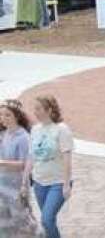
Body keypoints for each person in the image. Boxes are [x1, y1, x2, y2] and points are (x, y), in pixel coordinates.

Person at [23, 95, 73, 238]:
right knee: (48, 222)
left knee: (46, 219)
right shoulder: (35, 129)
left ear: (49, 110)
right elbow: (32, 156)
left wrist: (66, 184)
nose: (35, 112)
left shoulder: (61, 129)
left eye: (38, 108)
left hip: (57, 182)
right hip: (39, 182)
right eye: (34, 109)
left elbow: (67, 158)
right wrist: (24, 180)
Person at [0, 99, 39, 237]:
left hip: (17, 186)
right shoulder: (3, 134)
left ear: (17, 116)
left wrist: (2, 163)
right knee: (4, 222)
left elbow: (24, 163)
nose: (3, 118)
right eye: (1, 115)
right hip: (2, 185)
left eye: (7, 115)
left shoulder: (23, 137)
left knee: (22, 221)